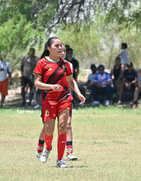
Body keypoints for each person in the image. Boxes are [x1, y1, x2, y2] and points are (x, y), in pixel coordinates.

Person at [33, 37, 84, 168]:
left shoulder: (66, 64)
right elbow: (37, 83)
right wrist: (51, 87)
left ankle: (60, 159)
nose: (60, 47)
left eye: (61, 45)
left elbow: (71, 81)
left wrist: (78, 93)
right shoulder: (42, 63)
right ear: (49, 48)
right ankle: (47, 148)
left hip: (64, 97)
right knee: (49, 129)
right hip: (48, 99)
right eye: (57, 45)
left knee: (63, 125)